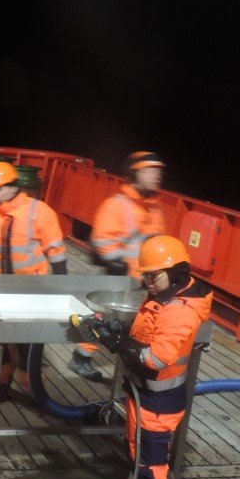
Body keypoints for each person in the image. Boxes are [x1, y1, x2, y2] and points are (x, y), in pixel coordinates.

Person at [91, 236, 212, 479]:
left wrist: (122, 345)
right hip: (143, 393)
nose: (146, 282)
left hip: (159, 401)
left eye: (151, 275)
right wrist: (124, 333)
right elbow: (148, 334)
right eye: (144, 275)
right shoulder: (166, 296)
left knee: (151, 461)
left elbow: (157, 357)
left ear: (175, 271)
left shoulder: (180, 309)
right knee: (136, 450)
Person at [0, 160, 67, 398]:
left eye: (0, 188)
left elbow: (55, 250)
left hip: (32, 290)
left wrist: (63, 284)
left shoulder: (38, 211)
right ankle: (1, 383)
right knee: (0, 340)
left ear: (14, 185)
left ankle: (31, 382)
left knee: (30, 340)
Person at [69, 151, 167, 381]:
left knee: (138, 327)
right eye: (150, 170)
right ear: (134, 174)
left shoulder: (155, 209)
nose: (156, 176)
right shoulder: (117, 205)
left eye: (159, 171)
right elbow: (101, 243)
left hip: (146, 283)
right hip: (121, 279)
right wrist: (121, 265)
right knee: (104, 321)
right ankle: (81, 358)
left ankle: (132, 369)